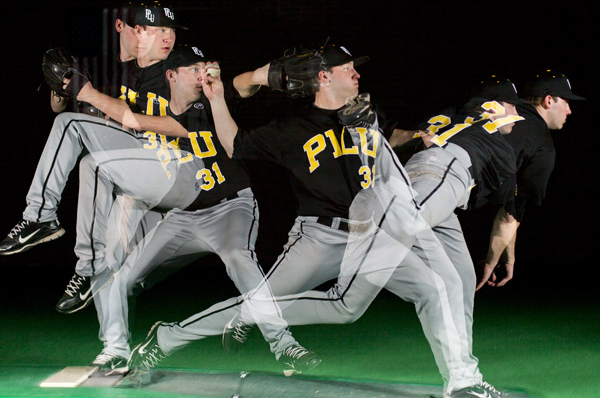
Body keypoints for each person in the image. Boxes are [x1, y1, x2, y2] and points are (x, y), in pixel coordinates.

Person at [128, 42, 514, 397]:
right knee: (261, 303)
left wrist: (417, 135)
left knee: (431, 288)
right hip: (318, 237)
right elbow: (235, 144)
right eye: (348, 68)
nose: (357, 74)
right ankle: (166, 338)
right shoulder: (292, 128)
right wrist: (215, 98)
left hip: (371, 235)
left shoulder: (366, 111)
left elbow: (393, 136)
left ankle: (461, 382)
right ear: (324, 78)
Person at [75, 44, 320, 376]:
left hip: (230, 208)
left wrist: (265, 73)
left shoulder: (212, 102)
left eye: (204, 66)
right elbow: (125, 121)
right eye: (193, 68)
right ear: (171, 76)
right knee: (122, 276)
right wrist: (78, 93)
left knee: (239, 259)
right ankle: (116, 350)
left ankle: (284, 345)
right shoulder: (155, 116)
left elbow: (246, 83)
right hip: (183, 217)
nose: (201, 73)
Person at [0, 4, 183, 317]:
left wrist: (87, 96)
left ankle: (41, 216)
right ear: (136, 32)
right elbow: (68, 107)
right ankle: (88, 274)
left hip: (168, 171)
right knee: (89, 163)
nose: (167, 36)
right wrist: (62, 89)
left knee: (71, 126)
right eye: (157, 29)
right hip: (133, 174)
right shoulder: (123, 70)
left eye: (170, 29)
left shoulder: (182, 67)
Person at [477, 70, 585, 290]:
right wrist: (491, 262)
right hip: (447, 189)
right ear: (548, 100)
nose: (569, 110)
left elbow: (511, 206)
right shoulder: (542, 146)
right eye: (565, 101)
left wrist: (508, 256)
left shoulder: (509, 115)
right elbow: (510, 216)